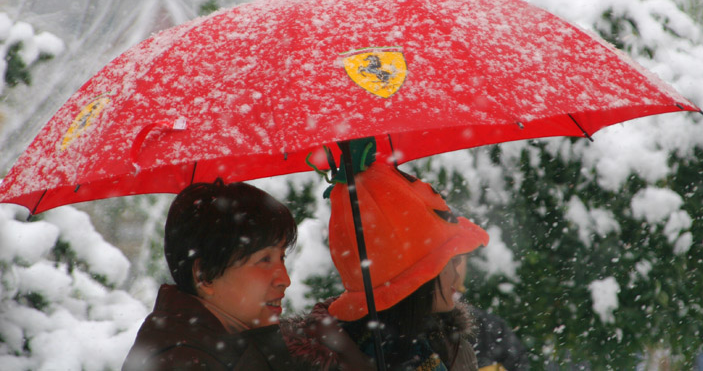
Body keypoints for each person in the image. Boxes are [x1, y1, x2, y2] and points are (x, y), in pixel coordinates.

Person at [122, 178, 368, 371]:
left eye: (282, 257)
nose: (284, 279)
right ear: (205, 275)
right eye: (264, 260)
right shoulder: (180, 361)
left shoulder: (233, 344)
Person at [321, 140, 491, 371]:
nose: (457, 267)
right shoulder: (344, 361)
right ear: (413, 280)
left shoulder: (452, 350)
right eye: (449, 259)